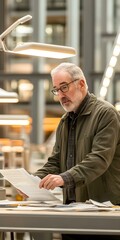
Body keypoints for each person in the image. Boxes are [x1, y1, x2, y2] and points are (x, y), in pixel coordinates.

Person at [34, 62, 120, 240]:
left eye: (64, 87)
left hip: (103, 211)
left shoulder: (106, 114)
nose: (60, 96)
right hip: (73, 211)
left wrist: (64, 178)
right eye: (56, 90)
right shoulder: (65, 121)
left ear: (81, 84)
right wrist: (33, 181)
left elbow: (98, 159)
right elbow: (56, 161)